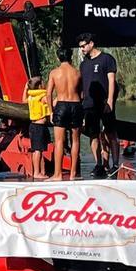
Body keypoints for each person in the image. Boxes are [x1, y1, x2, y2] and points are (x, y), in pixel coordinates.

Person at [77, 33, 119, 177]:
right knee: (93, 135)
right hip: (89, 105)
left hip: (104, 103)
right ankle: (99, 164)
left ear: (91, 44)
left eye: (83, 46)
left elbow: (111, 81)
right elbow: (82, 86)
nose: (82, 49)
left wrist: (110, 101)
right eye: (80, 47)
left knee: (111, 133)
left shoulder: (107, 59)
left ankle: (115, 165)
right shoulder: (83, 64)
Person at [46, 47, 84, 181]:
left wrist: (51, 111)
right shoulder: (77, 73)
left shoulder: (54, 73)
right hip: (76, 105)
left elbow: (48, 93)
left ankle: (58, 174)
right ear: (71, 57)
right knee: (76, 141)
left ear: (58, 58)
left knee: (59, 142)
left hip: (61, 106)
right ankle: (73, 174)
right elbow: (82, 94)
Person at [22, 76, 50, 179]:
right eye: (43, 83)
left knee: (37, 150)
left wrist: (25, 89)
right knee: (38, 150)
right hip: (40, 126)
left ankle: (40, 171)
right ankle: (37, 172)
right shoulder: (42, 97)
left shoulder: (31, 97)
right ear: (39, 86)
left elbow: (23, 100)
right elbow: (51, 102)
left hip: (33, 126)